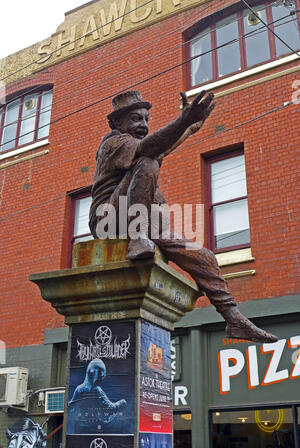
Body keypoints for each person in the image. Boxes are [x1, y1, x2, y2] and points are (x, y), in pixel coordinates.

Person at [89, 90, 278, 344]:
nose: (143, 125)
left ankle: (234, 319)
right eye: (135, 119)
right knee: (148, 163)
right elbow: (149, 149)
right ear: (117, 124)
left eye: (146, 119)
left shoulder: (137, 148)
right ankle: (137, 237)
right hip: (109, 221)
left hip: (146, 224)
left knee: (205, 257)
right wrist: (182, 122)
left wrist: (189, 127)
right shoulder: (113, 142)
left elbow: (162, 147)